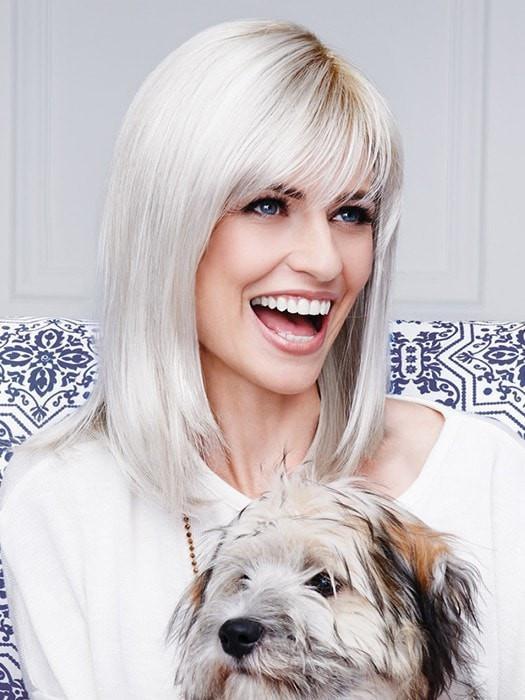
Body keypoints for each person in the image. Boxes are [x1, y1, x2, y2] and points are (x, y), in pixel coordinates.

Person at [0, 18, 524, 700]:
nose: (323, 262)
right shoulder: (63, 499)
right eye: (268, 204)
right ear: (170, 225)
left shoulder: (492, 478)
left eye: (351, 214)